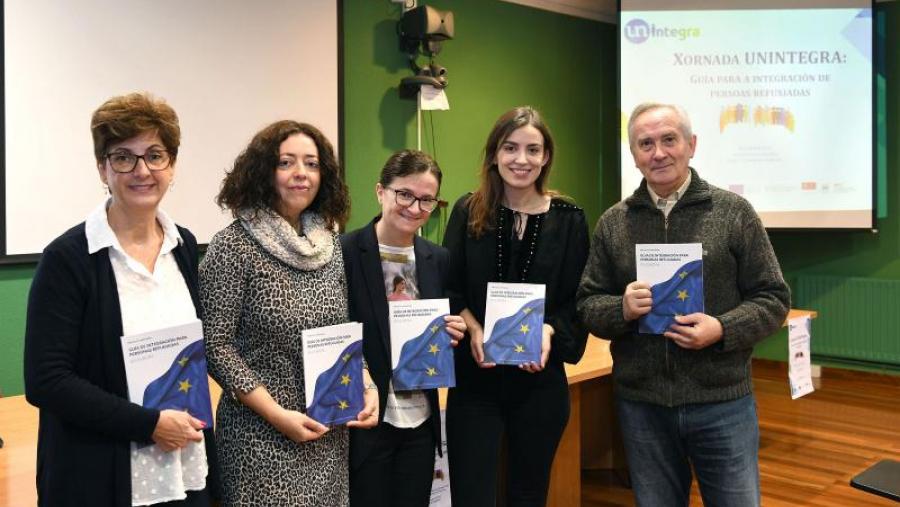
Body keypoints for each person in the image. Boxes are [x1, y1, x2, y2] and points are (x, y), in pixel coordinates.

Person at [576, 102, 791, 507]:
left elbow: (774, 297)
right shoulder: (613, 223)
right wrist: (620, 308)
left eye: (669, 140)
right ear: (634, 155)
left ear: (691, 145)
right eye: (645, 143)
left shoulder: (734, 212)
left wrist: (722, 329)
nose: (658, 152)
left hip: (722, 401)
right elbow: (587, 303)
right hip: (642, 405)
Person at [23, 92, 220, 506]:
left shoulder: (182, 245)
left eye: (155, 154)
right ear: (102, 168)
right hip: (99, 476)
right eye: (123, 157)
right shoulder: (68, 259)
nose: (142, 170)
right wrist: (148, 424)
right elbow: (47, 381)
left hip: (181, 468)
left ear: (172, 165)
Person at [200, 120, 378, 506]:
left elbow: (343, 333)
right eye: (286, 162)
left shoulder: (329, 245)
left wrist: (366, 384)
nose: (301, 173)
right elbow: (216, 346)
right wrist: (278, 414)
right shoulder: (232, 246)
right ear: (264, 171)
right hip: (260, 437)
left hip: (328, 434)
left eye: (312, 164)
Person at [442, 106, 590, 506]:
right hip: (476, 382)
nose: (521, 160)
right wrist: (473, 327)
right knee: (473, 495)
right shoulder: (467, 209)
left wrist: (547, 330)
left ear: (545, 157)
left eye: (532, 149)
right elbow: (448, 285)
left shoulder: (571, 219)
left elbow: (578, 298)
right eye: (510, 148)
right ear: (494, 154)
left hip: (539, 383)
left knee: (529, 493)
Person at [341, 149, 466, 507]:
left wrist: (453, 331)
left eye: (427, 200)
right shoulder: (346, 252)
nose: (415, 208)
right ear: (380, 191)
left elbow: (443, 329)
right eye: (405, 194)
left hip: (420, 423)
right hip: (366, 422)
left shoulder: (437, 258)